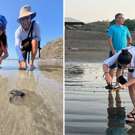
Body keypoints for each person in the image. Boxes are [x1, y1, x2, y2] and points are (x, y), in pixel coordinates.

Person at [103, 46, 135, 123]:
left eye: (125, 66)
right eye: (121, 65)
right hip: (131, 65)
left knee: (131, 84)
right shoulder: (119, 55)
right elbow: (105, 64)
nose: (123, 68)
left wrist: (124, 85)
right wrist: (107, 74)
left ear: (129, 62)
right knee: (131, 86)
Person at [107, 13, 132, 83]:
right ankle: (110, 84)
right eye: (120, 17)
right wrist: (112, 50)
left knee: (120, 69)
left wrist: (128, 47)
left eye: (123, 18)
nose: (122, 19)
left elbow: (129, 38)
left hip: (123, 52)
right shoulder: (112, 28)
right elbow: (109, 39)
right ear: (116, 19)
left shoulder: (125, 28)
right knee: (112, 68)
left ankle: (117, 84)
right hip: (114, 51)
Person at [15, 5, 40, 70]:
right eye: (22, 19)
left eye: (27, 18)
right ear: (20, 21)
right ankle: (24, 62)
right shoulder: (18, 31)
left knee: (34, 41)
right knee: (22, 68)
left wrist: (31, 40)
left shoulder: (36, 25)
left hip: (33, 44)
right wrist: (22, 60)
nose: (25, 21)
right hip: (23, 47)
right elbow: (17, 46)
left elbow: (39, 38)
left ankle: (31, 62)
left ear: (30, 18)